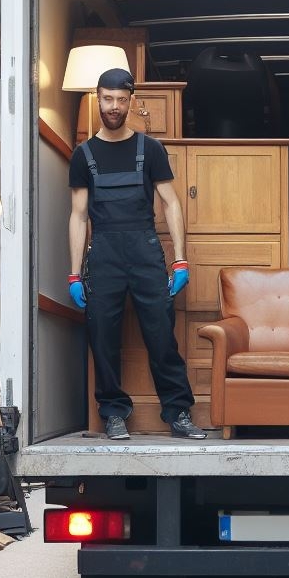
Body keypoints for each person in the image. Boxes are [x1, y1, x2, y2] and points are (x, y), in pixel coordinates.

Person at [68, 67, 205, 440]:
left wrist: (180, 259)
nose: (114, 106)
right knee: (103, 337)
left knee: (161, 335)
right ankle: (113, 412)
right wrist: (74, 273)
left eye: (121, 100)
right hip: (105, 254)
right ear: (98, 99)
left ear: (131, 101)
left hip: (145, 251)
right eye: (107, 99)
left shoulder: (152, 149)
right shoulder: (84, 155)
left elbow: (172, 203)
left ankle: (178, 412)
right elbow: (79, 216)